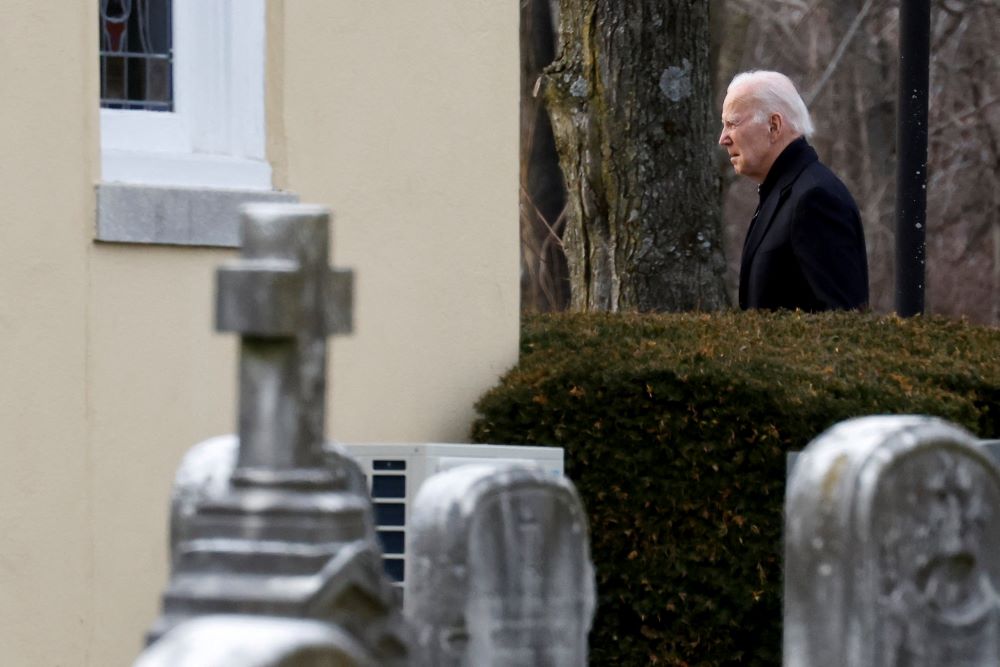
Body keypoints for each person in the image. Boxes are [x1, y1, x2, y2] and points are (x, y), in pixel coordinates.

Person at [719, 70, 869, 311]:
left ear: (774, 125)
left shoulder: (815, 199)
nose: (723, 138)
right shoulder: (786, 192)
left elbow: (841, 322)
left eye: (732, 124)